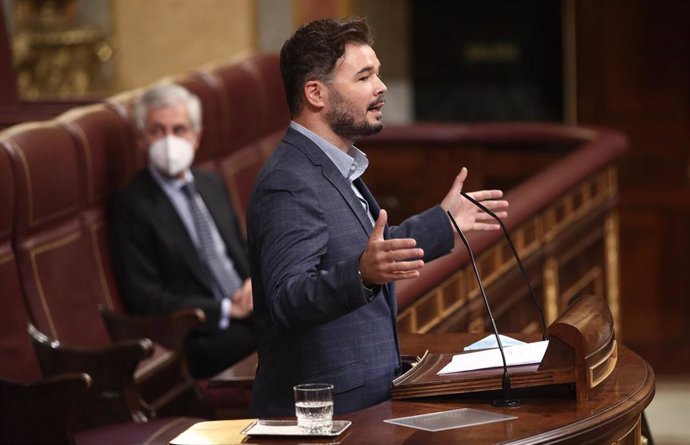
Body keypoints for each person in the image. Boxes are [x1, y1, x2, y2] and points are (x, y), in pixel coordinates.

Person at [246, 17, 509, 416]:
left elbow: (365, 251)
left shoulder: (335, 166)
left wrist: (443, 221)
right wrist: (361, 274)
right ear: (316, 93)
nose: (381, 87)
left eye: (378, 75)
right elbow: (287, 298)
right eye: (365, 76)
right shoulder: (288, 181)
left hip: (364, 402)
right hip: (326, 417)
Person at [109, 84, 255, 379]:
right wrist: (225, 309)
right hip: (199, 332)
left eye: (179, 130)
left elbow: (240, 248)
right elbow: (145, 298)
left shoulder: (211, 183)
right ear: (142, 140)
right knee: (282, 336)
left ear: (196, 137)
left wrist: (255, 281)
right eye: (157, 131)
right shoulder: (132, 205)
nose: (169, 141)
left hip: (250, 309)